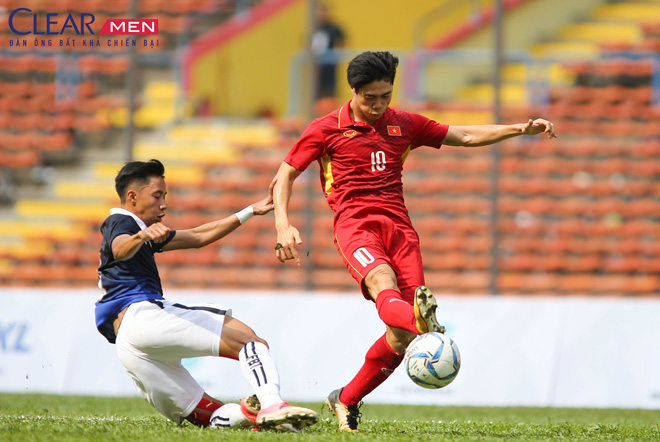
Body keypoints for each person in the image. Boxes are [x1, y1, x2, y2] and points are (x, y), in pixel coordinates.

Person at [271, 51, 556, 432]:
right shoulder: (326, 128)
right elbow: (285, 174)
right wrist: (282, 225)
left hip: (401, 230)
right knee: (381, 283)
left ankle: (346, 398)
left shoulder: (404, 125)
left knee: (402, 335)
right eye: (369, 97)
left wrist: (520, 129)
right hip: (355, 225)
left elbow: (466, 135)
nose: (377, 105)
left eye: (385, 96)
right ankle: (426, 325)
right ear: (353, 90)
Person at [95, 159, 318, 432]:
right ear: (132, 196)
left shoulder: (139, 229)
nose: (163, 204)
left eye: (165, 196)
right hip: (143, 317)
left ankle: (255, 417)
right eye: (157, 196)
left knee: (208, 414)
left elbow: (199, 236)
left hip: (129, 347)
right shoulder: (122, 221)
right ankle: (272, 403)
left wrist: (250, 210)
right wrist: (141, 236)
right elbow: (119, 248)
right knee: (250, 341)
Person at [311, 3, 345, 99]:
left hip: (329, 66)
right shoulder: (313, 27)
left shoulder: (333, 28)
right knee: (315, 91)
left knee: (330, 91)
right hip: (315, 66)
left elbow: (341, 42)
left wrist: (337, 56)